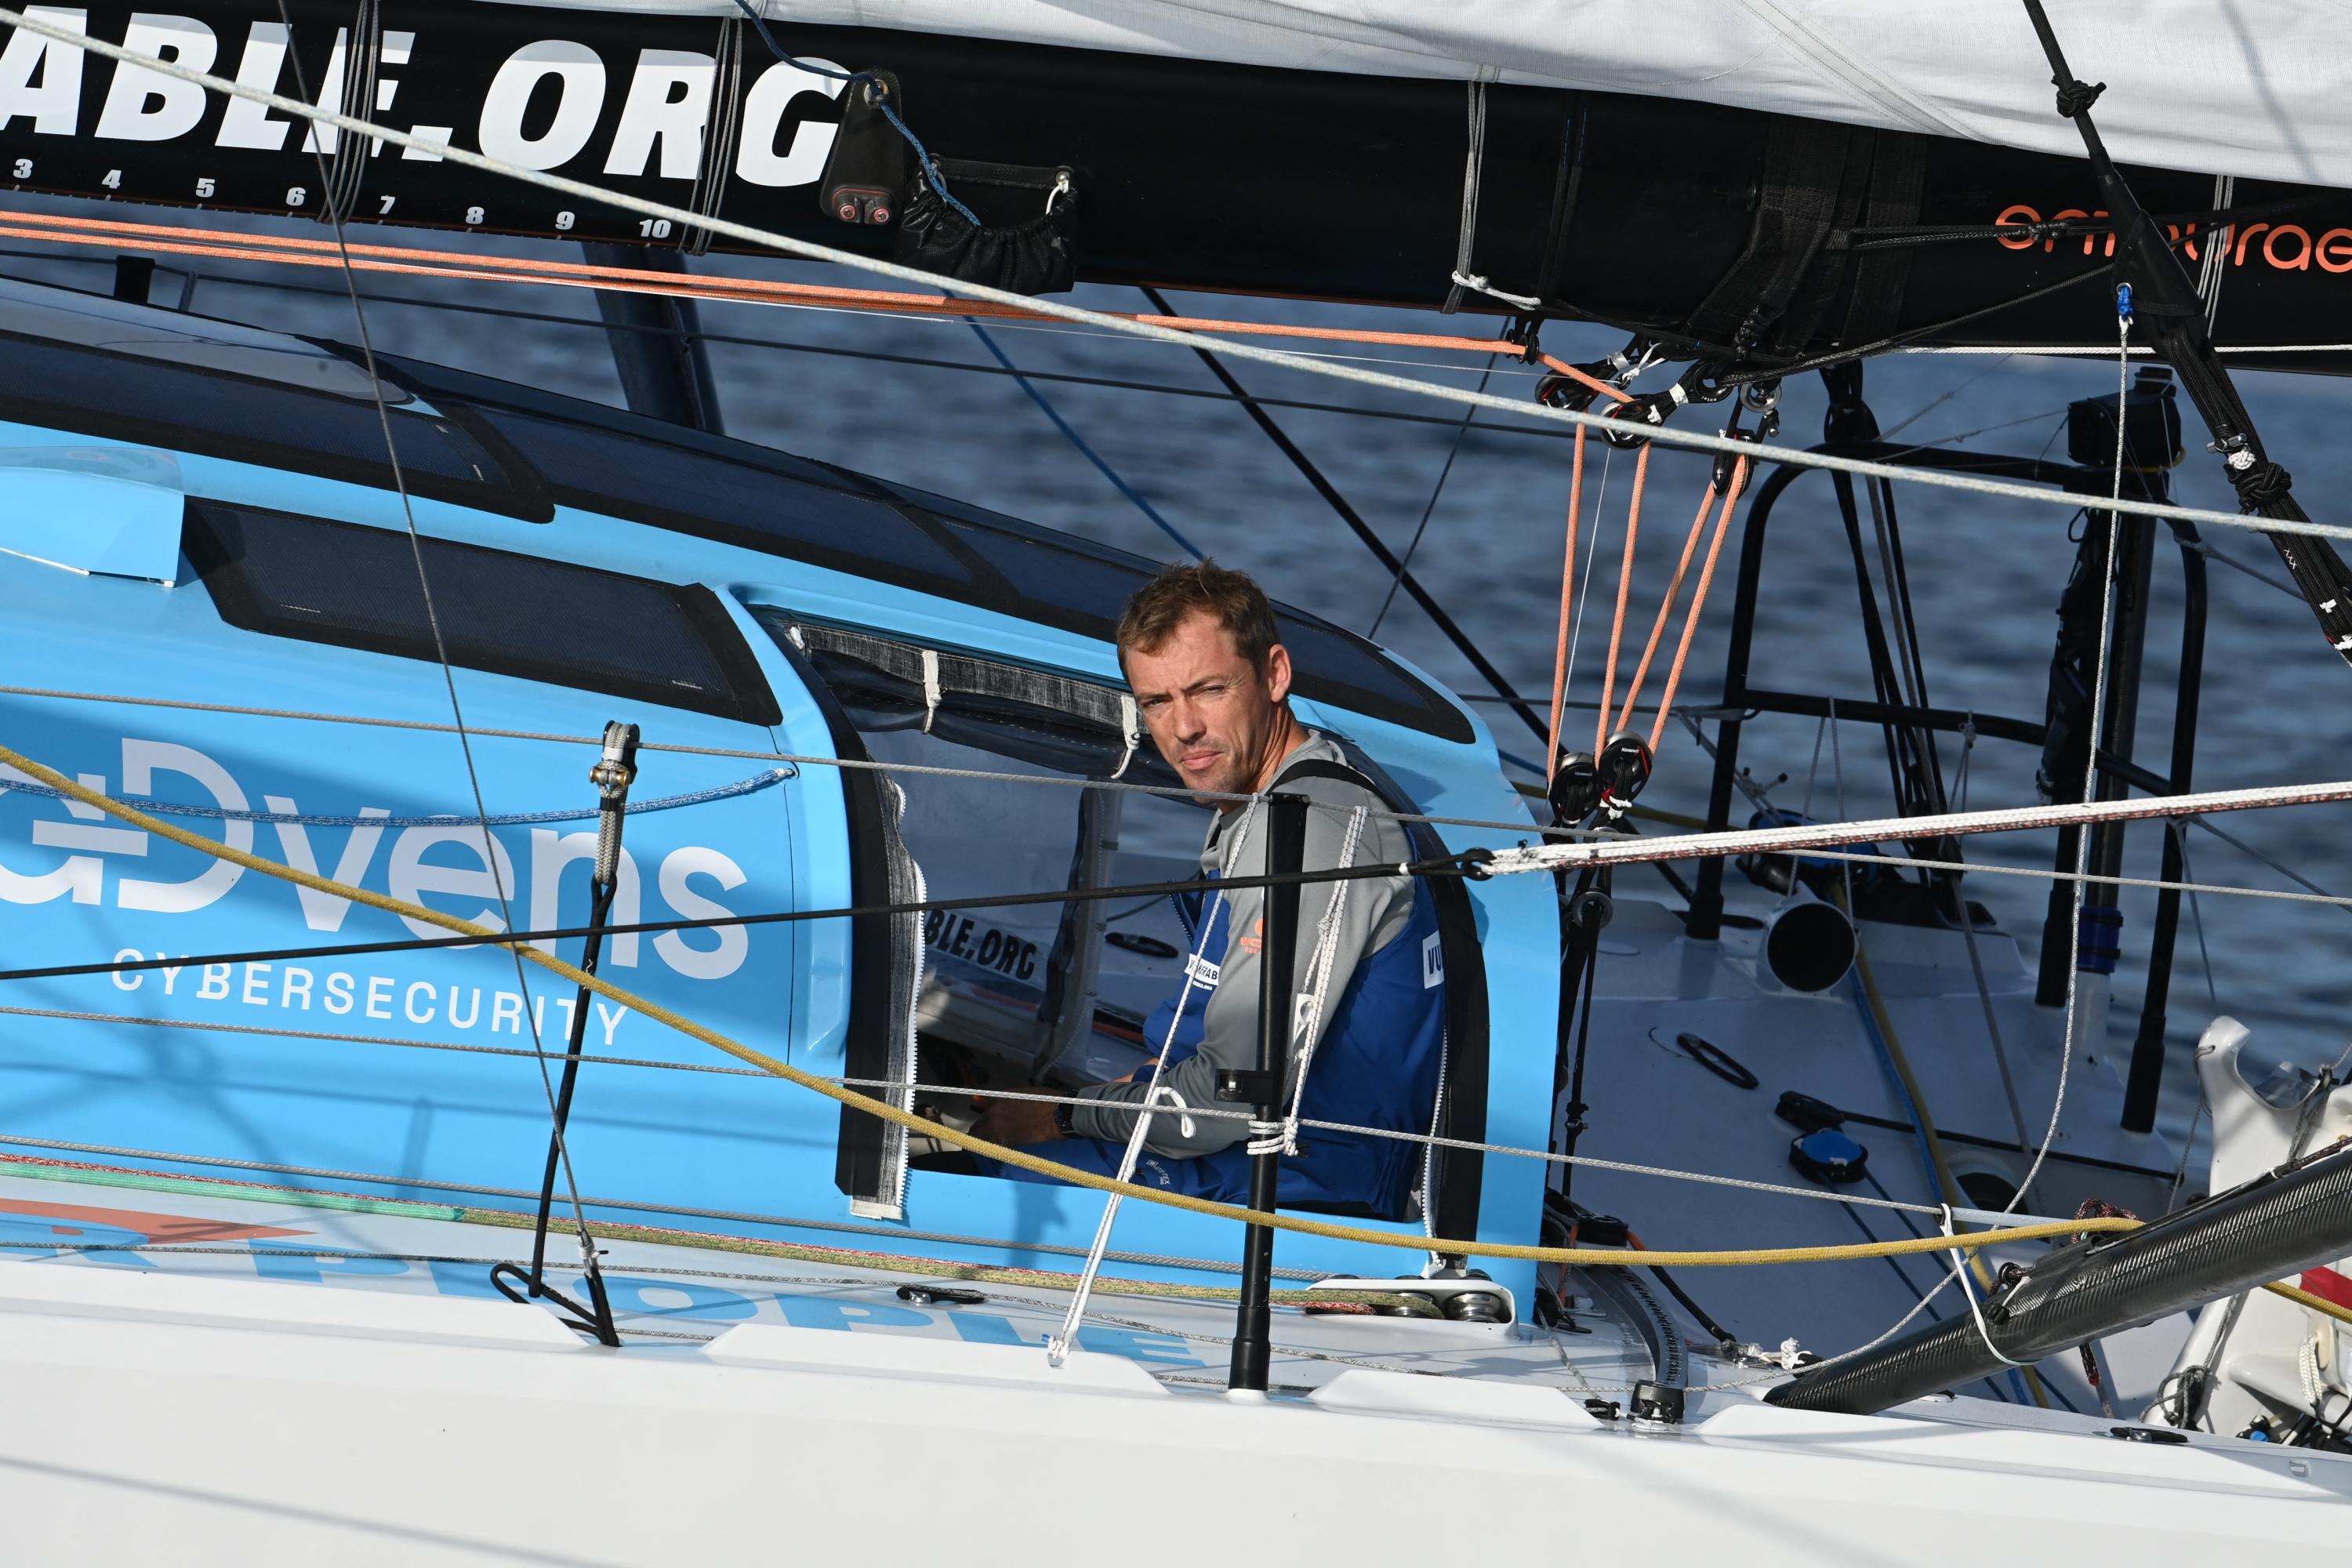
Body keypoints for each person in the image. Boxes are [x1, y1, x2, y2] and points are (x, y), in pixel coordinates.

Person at [971, 561, 1449, 1218]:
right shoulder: (1271, 799)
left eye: (1209, 690)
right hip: (1246, 1153)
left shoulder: (1304, 827)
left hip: (1296, 1185)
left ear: (1275, 675)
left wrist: (1061, 1115)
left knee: (974, 1188)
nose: (1184, 728)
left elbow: (1230, 1100)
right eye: (1157, 702)